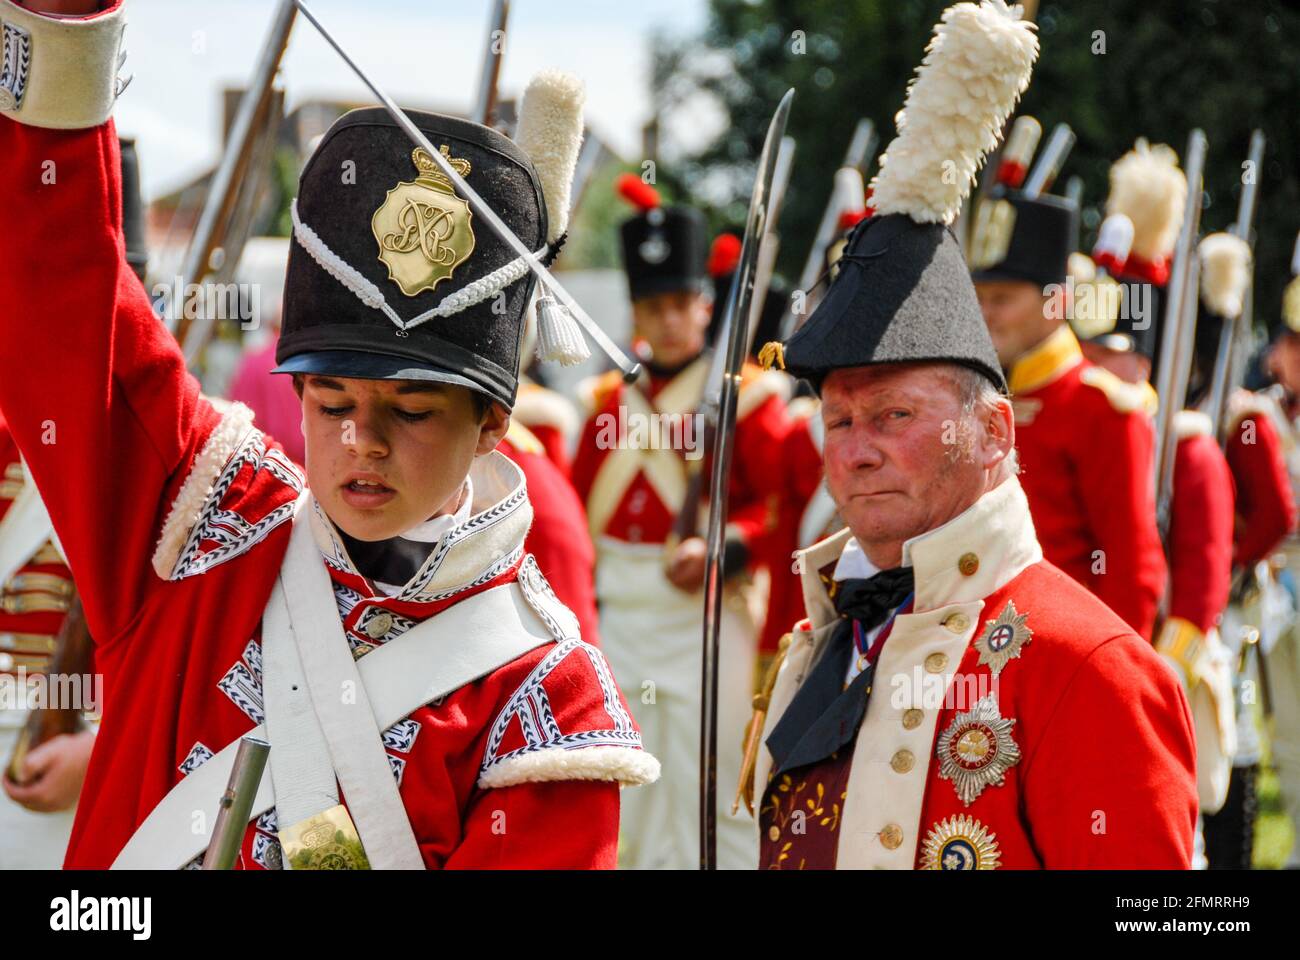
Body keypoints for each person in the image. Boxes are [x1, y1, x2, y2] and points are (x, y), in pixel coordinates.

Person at [0, 0, 655, 869]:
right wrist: (62, 18)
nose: (361, 442)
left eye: (411, 410)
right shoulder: (197, 518)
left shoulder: (552, 703)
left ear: (493, 420)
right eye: (329, 401)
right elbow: (65, 295)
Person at [743, 0, 1196, 869]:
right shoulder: (825, 640)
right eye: (838, 418)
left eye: (894, 414)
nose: (856, 447)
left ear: (993, 433)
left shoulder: (1091, 668)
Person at [571, 175, 787, 869]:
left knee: (711, 777)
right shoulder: (607, 400)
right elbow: (576, 510)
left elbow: (778, 508)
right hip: (618, 608)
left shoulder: (749, 399)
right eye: (653, 305)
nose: (668, 320)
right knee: (624, 776)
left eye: (681, 303)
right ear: (636, 311)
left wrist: (724, 546)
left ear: (704, 305)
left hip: (704, 610)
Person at [971, 142, 1167, 642]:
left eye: (1003, 299)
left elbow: (1130, 571)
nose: (987, 313)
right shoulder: (979, 395)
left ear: (1056, 302)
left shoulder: (1102, 407)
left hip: (1070, 653)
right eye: (981, 298)